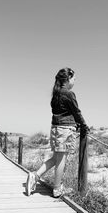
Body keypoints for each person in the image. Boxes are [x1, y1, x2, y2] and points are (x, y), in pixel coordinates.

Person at [26, 67, 89, 198]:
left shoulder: (56, 94)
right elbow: (76, 112)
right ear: (68, 79)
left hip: (56, 128)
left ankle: (35, 176)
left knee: (55, 158)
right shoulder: (69, 94)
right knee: (61, 160)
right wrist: (84, 126)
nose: (75, 82)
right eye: (74, 79)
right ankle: (57, 188)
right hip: (65, 130)